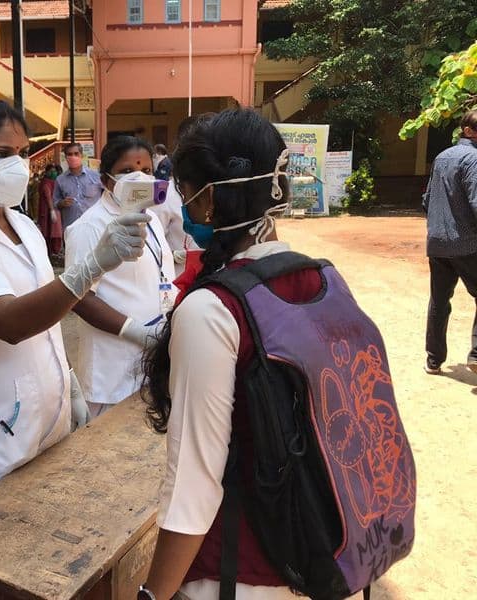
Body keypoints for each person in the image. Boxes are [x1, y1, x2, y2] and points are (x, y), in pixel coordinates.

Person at [138, 109, 366, 600]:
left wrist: (151, 596)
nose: (182, 204)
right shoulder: (323, 281)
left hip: (230, 575)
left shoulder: (212, 311)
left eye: (186, 190)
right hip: (308, 555)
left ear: (211, 197)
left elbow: (193, 490)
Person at [0, 99, 150, 496]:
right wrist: (91, 266)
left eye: (22, 153)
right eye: (1, 154)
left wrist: (68, 379)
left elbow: (45, 305)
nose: (17, 164)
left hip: (47, 417)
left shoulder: (21, 224)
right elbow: (9, 322)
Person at [65, 136, 175, 417]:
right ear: (106, 180)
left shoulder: (149, 218)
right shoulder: (90, 226)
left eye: (147, 170)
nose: (140, 176)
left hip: (150, 361)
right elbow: (78, 297)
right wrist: (137, 332)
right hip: (111, 371)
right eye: (127, 171)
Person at [422, 108, 477, 375]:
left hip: (437, 242)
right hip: (467, 244)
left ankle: (434, 360)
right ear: (468, 131)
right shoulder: (474, 159)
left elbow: (426, 199)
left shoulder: (441, 157)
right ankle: (476, 354)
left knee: (439, 300)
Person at [54, 142, 103, 229]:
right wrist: (62, 203)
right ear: (65, 157)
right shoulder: (60, 180)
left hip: (94, 226)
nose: (73, 157)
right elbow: (55, 202)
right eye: (70, 154)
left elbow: (106, 196)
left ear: (82, 155)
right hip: (71, 227)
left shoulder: (96, 176)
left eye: (76, 154)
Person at [37, 163, 63, 256]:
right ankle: (50, 252)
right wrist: (52, 210)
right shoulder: (46, 183)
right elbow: (48, 197)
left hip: (53, 209)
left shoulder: (54, 182)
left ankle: (53, 251)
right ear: (47, 172)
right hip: (47, 210)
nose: (53, 173)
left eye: (54, 171)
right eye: (51, 171)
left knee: (53, 232)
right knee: (48, 232)